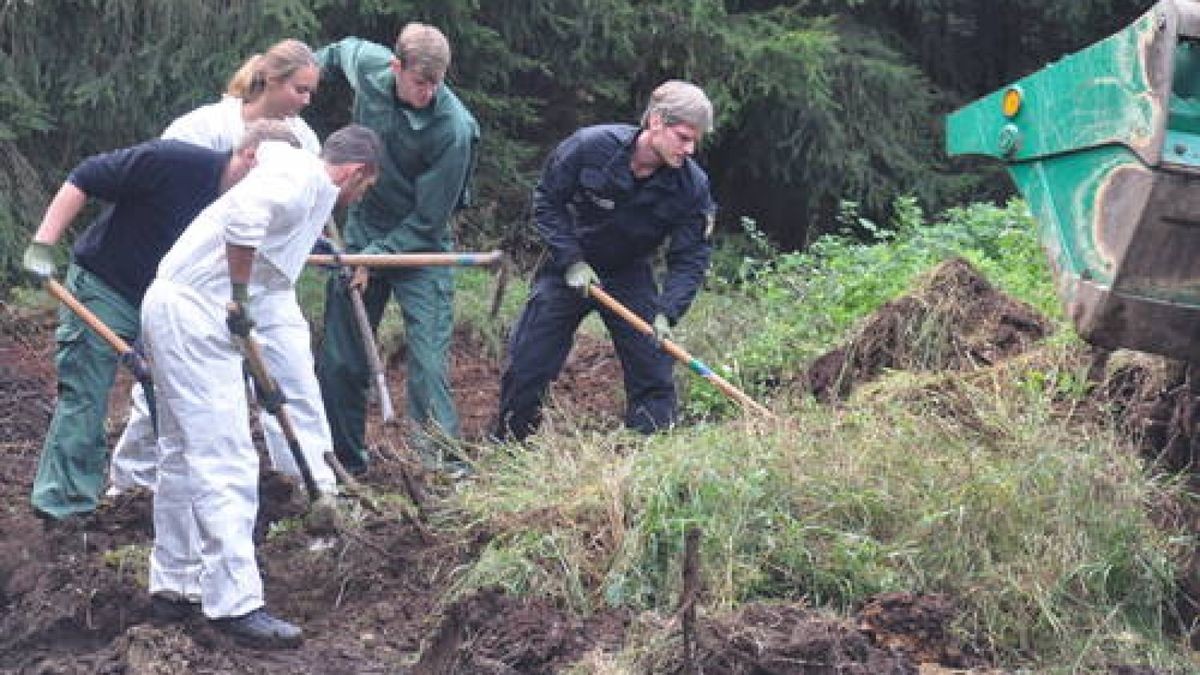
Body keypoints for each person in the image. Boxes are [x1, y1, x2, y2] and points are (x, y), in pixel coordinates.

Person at [139, 124, 382, 648]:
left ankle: (175, 585)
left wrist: (273, 373)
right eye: (365, 189)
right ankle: (235, 604)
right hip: (195, 312)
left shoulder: (296, 180)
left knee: (182, 453)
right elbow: (244, 219)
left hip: (185, 307)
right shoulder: (300, 177)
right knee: (226, 457)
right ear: (356, 172)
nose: (358, 199)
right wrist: (240, 297)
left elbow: (273, 287)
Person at [22, 120, 302, 523]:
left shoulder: (252, 208)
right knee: (86, 389)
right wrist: (42, 244)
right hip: (108, 286)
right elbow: (84, 176)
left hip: (172, 304)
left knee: (177, 400)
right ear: (249, 156)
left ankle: (180, 505)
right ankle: (63, 510)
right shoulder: (172, 161)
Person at [109, 38, 330, 496]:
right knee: (169, 382)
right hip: (198, 278)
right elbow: (163, 193)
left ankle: (309, 485)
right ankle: (132, 484)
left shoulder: (304, 139)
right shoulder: (202, 127)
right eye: (300, 90)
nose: (306, 102)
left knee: (293, 372)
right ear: (271, 81)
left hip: (266, 284)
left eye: (312, 93)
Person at [492, 80, 716, 441]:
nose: (690, 149)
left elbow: (691, 256)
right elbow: (547, 201)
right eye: (683, 137)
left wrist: (667, 311)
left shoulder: (691, 187)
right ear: (656, 122)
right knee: (528, 364)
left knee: (654, 370)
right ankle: (509, 448)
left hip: (629, 274)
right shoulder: (590, 147)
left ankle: (649, 456)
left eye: (696, 140)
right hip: (569, 269)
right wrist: (570, 260)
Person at [312, 23, 480, 474]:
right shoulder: (369, 66)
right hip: (364, 230)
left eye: (436, 84)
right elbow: (338, 50)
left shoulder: (454, 130)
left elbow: (430, 219)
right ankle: (343, 462)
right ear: (396, 67)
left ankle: (442, 468)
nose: (427, 92)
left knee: (427, 364)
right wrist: (302, 75)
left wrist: (377, 256)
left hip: (420, 246)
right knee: (341, 359)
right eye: (419, 82)